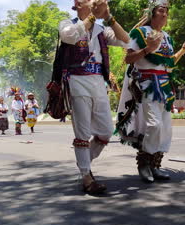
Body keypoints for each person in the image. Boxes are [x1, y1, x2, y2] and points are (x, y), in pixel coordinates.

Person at [116, 0, 185, 182]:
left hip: (165, 86)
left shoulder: (167, 37)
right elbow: (129, 59)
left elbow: (170, 63)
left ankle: (155, 165)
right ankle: (144, 163)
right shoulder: (139, 33)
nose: (165, 14)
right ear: (152, 13)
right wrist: (147, 49)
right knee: (154, 125)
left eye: (166, 11)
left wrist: (183, 51)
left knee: (165, 128)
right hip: (147, 84)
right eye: (161, 10)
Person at [59, 0, 129, 194]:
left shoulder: (101, 30)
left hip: (98, 81)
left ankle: (83, 162)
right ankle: (86, 176)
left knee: (106, 131)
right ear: (78, 3)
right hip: (77, 80)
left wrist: (108, 17)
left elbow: (126, 40)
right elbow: (69, 37)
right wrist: (92, 17)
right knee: (82, 132)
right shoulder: (67, 23)